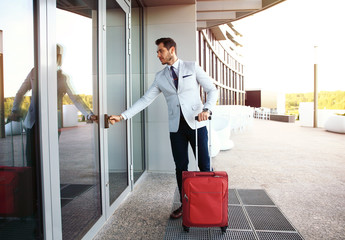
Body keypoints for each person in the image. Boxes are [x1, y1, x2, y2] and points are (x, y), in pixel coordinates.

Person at [109, 37, 218, 219]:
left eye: (161, 51)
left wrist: (206, 109)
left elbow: (212, 90)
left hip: (197, 124)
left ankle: (209, 205)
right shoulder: (160, 77)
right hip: (176, 128)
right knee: (180, 167)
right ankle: (186, 204)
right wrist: (122, 116)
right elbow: (145, 99)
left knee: (204, 165)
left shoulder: (192, 67)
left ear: (172, 50)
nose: (158, 55)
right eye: (157, 52)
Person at [9, 44, 96, 165]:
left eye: (53, 55)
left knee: (48, 158)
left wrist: (88, 114)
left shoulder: (62, 78)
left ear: (58, 57)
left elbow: (75, 99)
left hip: (51, 124)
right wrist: (15, 110)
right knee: (31, 159)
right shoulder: (34, 72)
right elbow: (20, 93)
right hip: (33, 124)